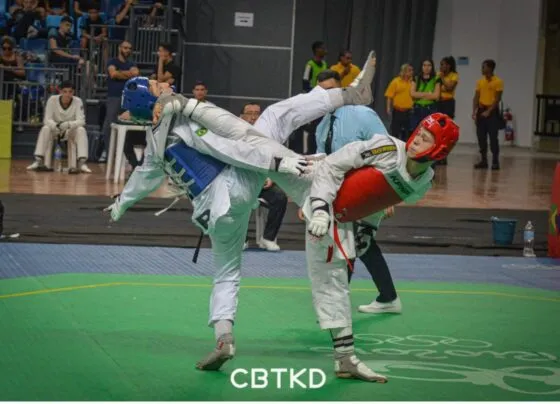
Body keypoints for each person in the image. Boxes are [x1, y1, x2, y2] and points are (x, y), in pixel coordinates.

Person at [105, 51, 379, 379]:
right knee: (277, 117)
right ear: (149, 101)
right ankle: (349, 102)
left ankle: (224, 337)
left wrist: (121, 203)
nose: (163, 83)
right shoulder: (182, 119)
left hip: (213, 214)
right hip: (233, 186)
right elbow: (232, 145)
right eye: (155, 85)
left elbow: (144, 178)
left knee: (226, 271)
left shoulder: (154, 141)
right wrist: (280, 162)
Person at [315, 103, 402, 314]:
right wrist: (312, 197)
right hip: (341, 191)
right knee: (361, 243)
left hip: (369, 190)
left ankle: (338, 303)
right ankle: (388, 297)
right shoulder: (322, 123)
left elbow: (389, 152)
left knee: (354, 241)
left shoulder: (364, 115)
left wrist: (388, 196)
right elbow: (321, 162)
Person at [27, 81, 91, 173]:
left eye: (70, 92)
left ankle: (82, 163)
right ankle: (38, 160)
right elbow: (47, 119)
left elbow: (82, 121)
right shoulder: (52, 100)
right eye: (65, 91)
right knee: (45, 128)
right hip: (55, 129)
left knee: (81, 130)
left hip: (69, 130)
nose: (67, 94)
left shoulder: (78, 101)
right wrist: (56, 125)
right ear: (60, 92)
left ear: (73, 93)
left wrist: (68, 124)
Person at [472, 59, 503, 170]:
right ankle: (483, 160)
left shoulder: (498, 82)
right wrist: (475, 112)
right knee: (481, 137)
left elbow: (497, 99)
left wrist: (489, 111)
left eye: (484, 67)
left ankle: (495, 161)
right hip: (481, 110)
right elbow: (476, 97)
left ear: (490, 68)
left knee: (493, 138)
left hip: (492, 112)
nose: (482, 69)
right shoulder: (480, 81)